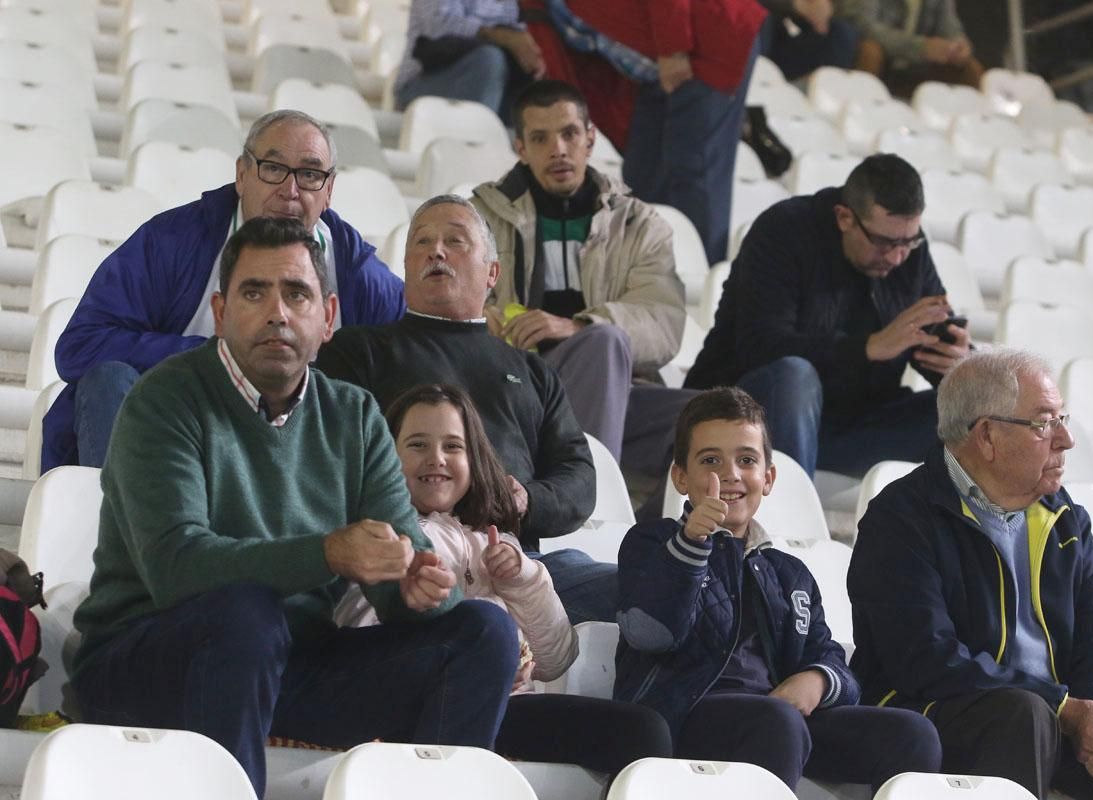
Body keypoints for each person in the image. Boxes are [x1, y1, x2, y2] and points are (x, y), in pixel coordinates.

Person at [70, 217, 518, 799]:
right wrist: (331, 552)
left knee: (484, 632)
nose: (277, 312)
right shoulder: (164, 400)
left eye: (297, 294)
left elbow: (398, 560)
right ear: (222, 310)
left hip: (289, 663)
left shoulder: (354, 414)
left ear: (328, 317)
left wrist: (420, 587)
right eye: (255, 292)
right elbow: (177, 569)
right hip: (145, 658)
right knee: (245, 612)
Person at [849, 349, 1093, 800]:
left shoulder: (1064, 517)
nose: (1067, 439)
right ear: (988, 436)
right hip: (938, 716)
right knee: (1022, 713)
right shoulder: (900, 517)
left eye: (1062, 419)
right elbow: (926, 659)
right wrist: (1062, 707)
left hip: (1051, 719)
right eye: (1044, 423)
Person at [43, 109, 406, 473]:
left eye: (310, 175)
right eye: (273, 169)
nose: (290, 191)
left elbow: (422, 349)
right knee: (109, 379)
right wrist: (218, 359)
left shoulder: (356, 272)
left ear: (328, 190)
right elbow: (80, 346)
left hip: (296, 456)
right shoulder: (172, 241)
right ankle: (122, 523)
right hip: (170, 432)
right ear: (242, 175)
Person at [615, 387, 942, 790]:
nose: (731, 474)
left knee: (912, 734)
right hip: (682, 717)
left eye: (747, 460)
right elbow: (651, 633)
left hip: (775, 720)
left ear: (767, 478)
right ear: (681, 477)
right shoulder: (651, 541)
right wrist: (691, 545)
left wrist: (817, 680)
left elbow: (832, 659)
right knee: (777, 722)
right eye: (710, 460)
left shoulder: (789, 572)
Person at [337, 383, 673, 775]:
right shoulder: (377, 535)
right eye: (417, 445)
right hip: (421, 705)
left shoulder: (499, 541)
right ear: (385, 457)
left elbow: (558, 659)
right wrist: (478, 654)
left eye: (453, 446)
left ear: (475, 457)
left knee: (644, 733)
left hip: (509, 707)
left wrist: (522, 580)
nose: (436, 459)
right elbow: (358, 639)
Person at [315, 195, 614, 624]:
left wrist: (527, 499)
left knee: (646, 591)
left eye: (455, 241)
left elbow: (580, 477)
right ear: (405, 268)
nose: (436, 251)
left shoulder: (531, 369)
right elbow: (335, 463)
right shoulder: (359, 351)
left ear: (492, 272)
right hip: (414, 562)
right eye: (422, 242)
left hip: (519, 564)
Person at [685, 153, 970, 478]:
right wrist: (866, 348)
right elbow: (760, 346)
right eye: (883, 243)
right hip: (753, 420)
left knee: (971, 412)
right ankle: (786, 513)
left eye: (908, 242)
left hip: (856, 426)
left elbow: (930, 337)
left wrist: (959, 364)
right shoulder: (784, 231)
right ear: (844, 217)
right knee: (796, 375)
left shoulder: (909, 254)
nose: (896, 257)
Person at [471, 79, 693, 472]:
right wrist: (486, 318)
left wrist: (578, 327)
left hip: (614, 395)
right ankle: (586, 498)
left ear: (590, 139)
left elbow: (662, 323)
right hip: (513, 391)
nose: (558, 149)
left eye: (569, 134)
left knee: (713, 422)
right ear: (521, 148)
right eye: (540, 138)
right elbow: (452, 302)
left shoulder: (639, 224)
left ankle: (655, 531)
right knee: (604, 341)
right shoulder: (479, 217)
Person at [568, 0, 767, 265]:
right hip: (656, 55)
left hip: (703, 35)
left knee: (695, 167)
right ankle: (644, 270)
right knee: (643, 170)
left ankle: (700, 274)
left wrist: (673, 47)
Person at [394, 0, 546, 120]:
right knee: (488, 61)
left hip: (495, 89)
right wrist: (503, 37)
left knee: (541, 87)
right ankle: (476, 142)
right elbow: (437, 26)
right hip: (422, 81)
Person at [841, 0, 984, 96]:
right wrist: (919, 47)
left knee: (970, 69)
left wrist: (959, 45)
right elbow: (862, 25)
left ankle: (971, 132)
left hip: (920, 67)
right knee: (870, 51)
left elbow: (949, 26)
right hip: (881, 61)